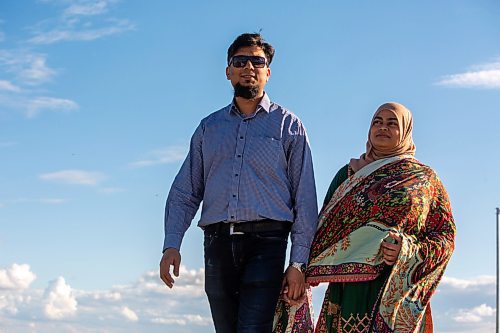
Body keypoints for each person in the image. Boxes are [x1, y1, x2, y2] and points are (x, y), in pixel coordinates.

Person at [159, 33, 318, 333]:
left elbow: (305, 200)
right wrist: (171, 244)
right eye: (240, 61)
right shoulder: (209, 127)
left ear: (268, 72)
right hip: (217, 245)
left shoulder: (289, 126)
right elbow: (185, 191)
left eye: (258, 61)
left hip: (267, 243)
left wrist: (298, 264)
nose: (249, 66)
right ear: (228, 71)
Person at [273, 102, 456, 333]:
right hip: (347, 292)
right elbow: (323, 230)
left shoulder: (424, 181)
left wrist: (407, 250)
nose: (383, 128)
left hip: (396, 293)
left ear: (405, 131)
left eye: (392, 124)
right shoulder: (349, 174)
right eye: (377, 122)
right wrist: (298, 269)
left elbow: (445, 236)